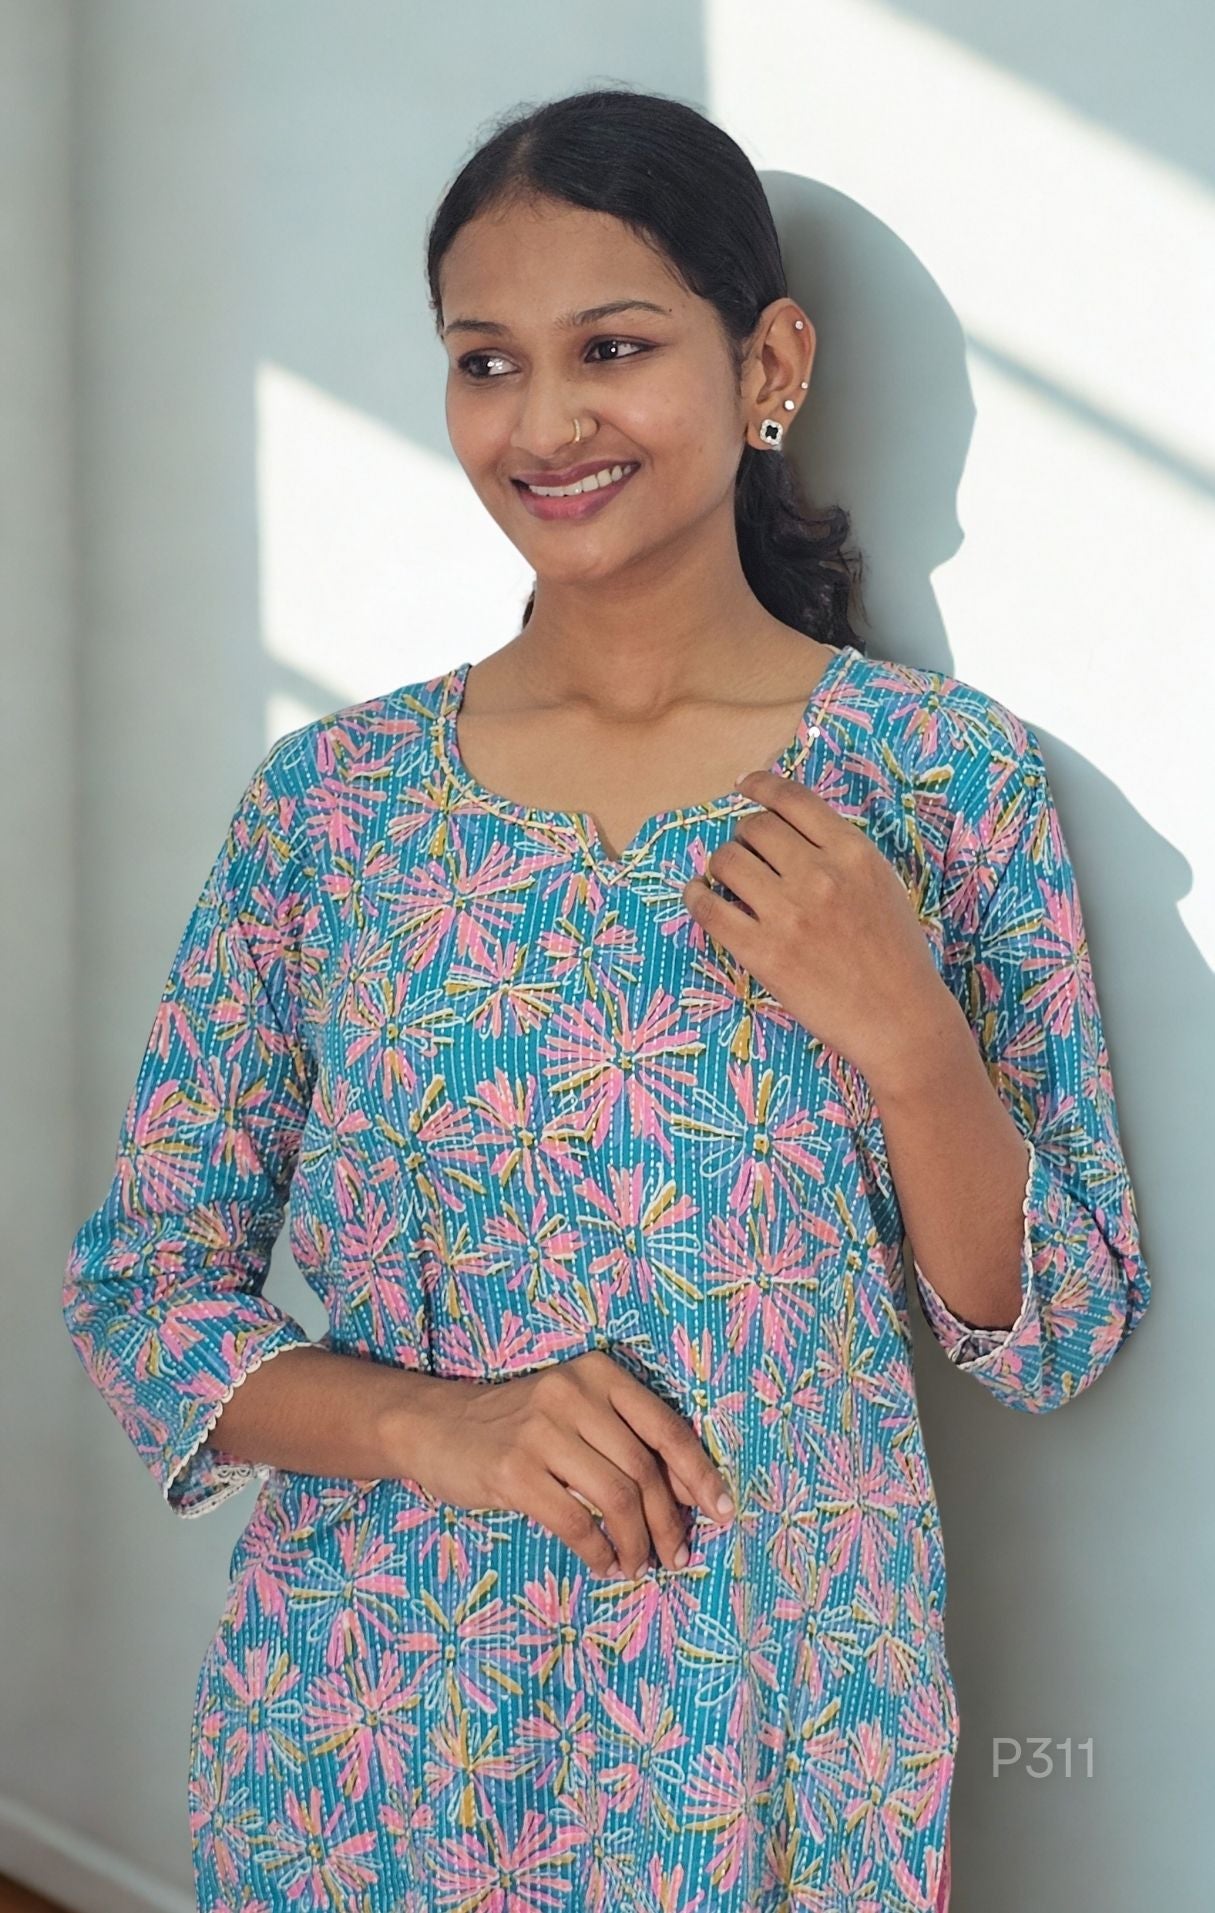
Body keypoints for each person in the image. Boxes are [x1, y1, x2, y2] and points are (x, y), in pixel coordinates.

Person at [63, 86, 1150, 1913]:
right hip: (372, 1724)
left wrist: (909, 1038)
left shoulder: (937, 786)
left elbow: (1055, 1331)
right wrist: (437, 1424)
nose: (546, 419)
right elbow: (142, 1295)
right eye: (488, 361)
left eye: (615, 348)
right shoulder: (331, 808)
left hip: (777, 1726)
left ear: (768, 360)